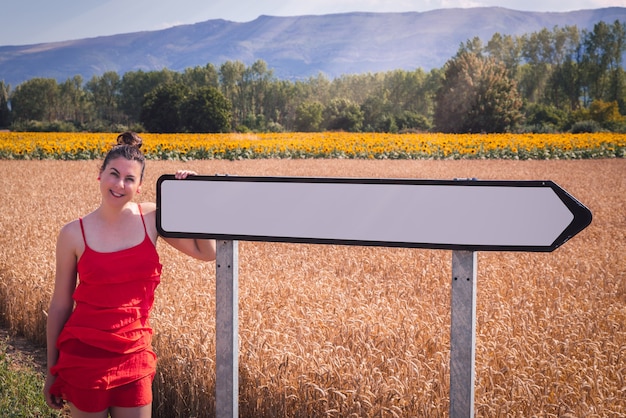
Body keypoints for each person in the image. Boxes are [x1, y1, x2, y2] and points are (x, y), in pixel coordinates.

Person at [43, 132, 216, 418]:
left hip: (135, 355)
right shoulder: (73, 233)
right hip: (84, 359)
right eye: (114, 174)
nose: (120, 184)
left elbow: (206, 252)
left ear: (139, 186)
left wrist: (193, 197)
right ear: (100, 175)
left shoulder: (152, 219)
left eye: (129, 179)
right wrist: (52, 371)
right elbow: (60, 305)